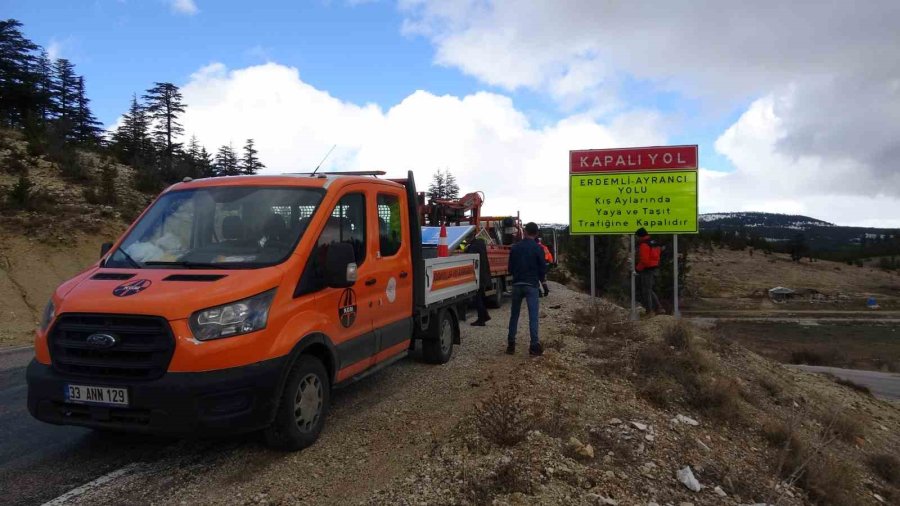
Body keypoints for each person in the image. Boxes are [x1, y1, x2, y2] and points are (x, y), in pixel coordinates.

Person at [506, 222, 549, 356]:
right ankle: (534, 346)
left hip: (517, 284)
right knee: (533, 316)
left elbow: (510, 268)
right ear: (536, 234)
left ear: (524, 232)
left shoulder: (515, 247)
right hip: (531, 285)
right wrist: (543, 283)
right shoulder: (538, 248)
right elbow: (542, 268)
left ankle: (511, 345)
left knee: (514, 315)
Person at [635, 227, 663, 316]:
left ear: (640, 236)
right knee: (649, 289)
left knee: (646, 291)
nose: (637, 238)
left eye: (637, 236)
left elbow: (644, 260)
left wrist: (637, 269)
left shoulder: (644, 244)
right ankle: (658, 308)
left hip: (646, 269)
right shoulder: (654, 242)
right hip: (654, 267)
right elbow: (658, 255)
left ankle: (650, 311)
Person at [466, 237, 492, 326]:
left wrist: (466, 249)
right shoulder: (480, 244)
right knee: (480, 297)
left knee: (477, 298)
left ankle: (481, 319)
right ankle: (485, 316)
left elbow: (470, 257)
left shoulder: (474, 247)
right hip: (483, 275)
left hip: (478, 276)